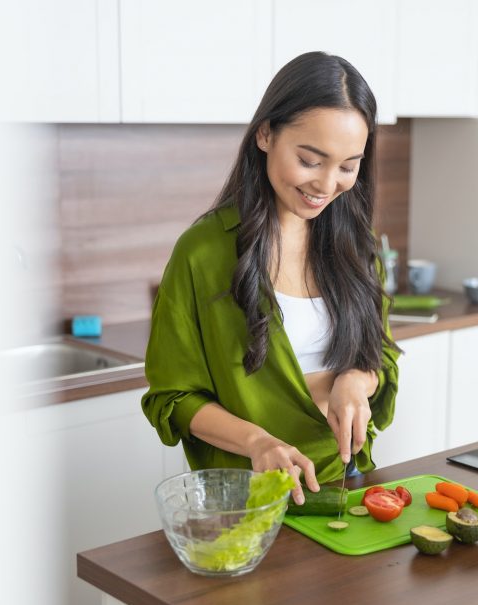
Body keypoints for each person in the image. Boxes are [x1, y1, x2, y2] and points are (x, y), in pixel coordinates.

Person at [142, 52, 400, 504]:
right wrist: (258, 443)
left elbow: (380, 356)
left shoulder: (357, 248)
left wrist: (355, 381)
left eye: (347, 166)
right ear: (265, 134)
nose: (326, 185)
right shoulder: (203, 252)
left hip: (346, 485)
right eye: (309, 159)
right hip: (246, 497)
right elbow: (173, 397)